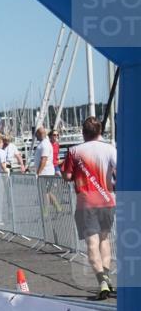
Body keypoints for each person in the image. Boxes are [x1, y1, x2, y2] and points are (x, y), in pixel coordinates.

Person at [61, 116, 117, 300]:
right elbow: (118, 171)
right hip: (107, 200)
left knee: (92, 243)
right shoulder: (110, 149)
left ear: (84, 133)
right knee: (104, 240)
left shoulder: (74, 151)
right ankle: (107, 278)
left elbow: (67, 175)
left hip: (86, 202)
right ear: (100, 131)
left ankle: (101, 281)